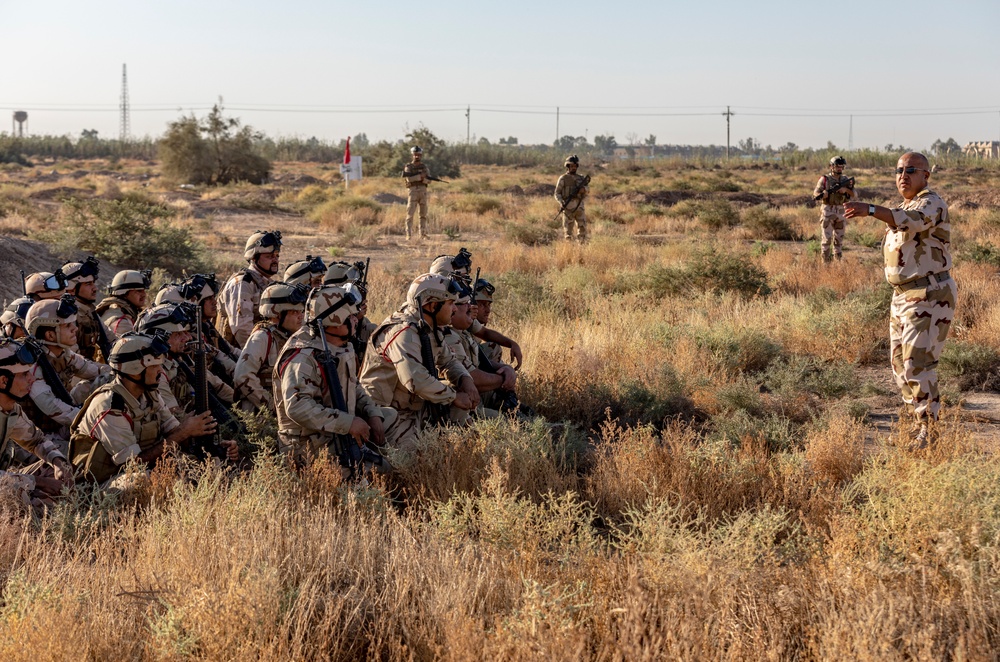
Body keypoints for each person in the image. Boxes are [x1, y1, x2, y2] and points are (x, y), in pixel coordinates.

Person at [844, 152, 955, 448]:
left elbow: (913, 222)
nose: (903, 175)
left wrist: (869, 208)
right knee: (898, 365)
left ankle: (929, 432)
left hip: (930, 294)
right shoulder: (903, 206)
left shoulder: (931, 202)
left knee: (917, 363)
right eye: (899, 170)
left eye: (911, 170)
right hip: (903, 296)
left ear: (925, 176)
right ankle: (917, 424)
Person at [69, 332, 230, 487]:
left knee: (202, 463)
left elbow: (175, 433)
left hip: (142, 466)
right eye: (155, 366)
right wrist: (184, 431)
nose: (161, 371)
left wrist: (214, 446)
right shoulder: (109, 405)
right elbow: (133, 464)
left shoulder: (150, 394)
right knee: (141, 481)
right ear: (134, 369)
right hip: (103, 482)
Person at [273, 285, 395, 469]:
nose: (356, 320)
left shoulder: (339, 344)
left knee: (389, 417)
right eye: (350, 317)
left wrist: (372, 412)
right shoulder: (302, 356)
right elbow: (297, 406)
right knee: (372, 477)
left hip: (334, 430)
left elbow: (352, 385)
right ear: (334, 321)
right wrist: (347, 423)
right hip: (307, 444)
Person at [360, 274, 477, 452]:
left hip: (414, 407)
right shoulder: (403, 332)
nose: (454, 309)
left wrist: (465, 380)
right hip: (388, 413)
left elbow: (448, 361)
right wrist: (453, 397)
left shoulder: (428, 325)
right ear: (432, 305)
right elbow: (415, 380)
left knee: (462, 425)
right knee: (414, 461)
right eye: (450, 303)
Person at [0, 338, 75, 511]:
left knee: (50, 469)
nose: (32, 379)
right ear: (4, 381)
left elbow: (36, 441)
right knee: (26, 490)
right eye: (24, 374)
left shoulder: (10, 408)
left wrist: (59, 463)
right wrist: (38, 483)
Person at [23, 297, 111, 442]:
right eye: (67, 326)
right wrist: (91, 419)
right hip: (39, 437)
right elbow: (51, 406)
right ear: (50, 335)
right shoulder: (31, 365)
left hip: (60, 425)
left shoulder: (63, 354)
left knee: (98, 383)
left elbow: (95, 371)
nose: (75, 329)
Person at [235, 282, 308, 412]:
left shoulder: (295, 338)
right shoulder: (262, 337)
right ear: (277, 314)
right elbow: (243, 376)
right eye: (294, 312)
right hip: (262, 414)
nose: (300, 316)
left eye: (301, 311)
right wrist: (271, 405)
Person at [217, 230, 282, 348]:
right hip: (241, 355)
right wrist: (257, 356)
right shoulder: (242, 284)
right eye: (269, 256)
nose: (275, 260)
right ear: (253, 258)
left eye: (277, 256)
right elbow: (242, 330)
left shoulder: (267, 283)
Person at [62, 257, 110, 362]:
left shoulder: (89, 311)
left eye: (93, 283)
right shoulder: (66, 315)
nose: (95, 288)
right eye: (88, 284)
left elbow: (110, 338)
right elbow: (73, 358)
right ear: (72, 289)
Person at [813, 155, 856, 262]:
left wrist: (845, 190)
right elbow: (815, 194)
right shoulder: (825, 180)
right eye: (837, 166)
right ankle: (825, 264)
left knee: (839, 240)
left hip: (841, 212)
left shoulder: (845, 180)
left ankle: (838, 263)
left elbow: (854, 194)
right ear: (831, 167)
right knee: (826, 240)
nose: (840, 169)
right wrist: (823, 194)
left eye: (841, 167)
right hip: (828, 211)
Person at [97, 269, 151, 337]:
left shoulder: (120, 310)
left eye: (143, 290)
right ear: (124, 293)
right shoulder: (122, 323)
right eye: (139, 291)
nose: (144, 294)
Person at [555, 155, 589, 242]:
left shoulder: (581, 178)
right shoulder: (563, 178)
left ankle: (581, 248)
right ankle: (569, 249)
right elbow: (557, 193)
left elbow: (587, 189)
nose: (573, 168)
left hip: (579, 207)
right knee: (568, 231)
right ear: (568, 166)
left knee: (582, 229)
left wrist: (583, 189)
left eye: (575, 166)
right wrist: (561, 202)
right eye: (571, 166)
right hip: (568, 207)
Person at [402, 146, 430, 241]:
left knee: (423, 214)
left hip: (423, 191)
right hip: (413, 191)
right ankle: (408, 234)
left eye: (418, 155)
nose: (417, 156)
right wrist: (419, 177)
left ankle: (423, 234)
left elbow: (429, 180)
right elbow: (409, 178)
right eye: (415, 155)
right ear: (412, 155)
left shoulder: (424, 167)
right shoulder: (409, 167)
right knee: (410, 214)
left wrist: (424, 179)